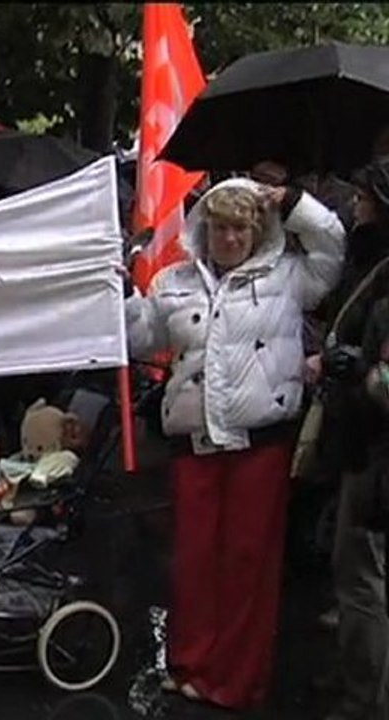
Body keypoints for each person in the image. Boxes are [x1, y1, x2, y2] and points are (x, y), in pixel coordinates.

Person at [125, 179, 345, 709]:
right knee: (195, 558)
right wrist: (122, 295)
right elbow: (141, 337)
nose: (229, 237)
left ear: (257, 229)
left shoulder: (290, 277)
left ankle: (237, 680)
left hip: (259, 444)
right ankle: (192, 663)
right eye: (220, 226)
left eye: (240, 227)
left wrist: (293, 202)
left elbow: (332, 244)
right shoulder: (175, 281)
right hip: (196, 442)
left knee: (248, 562)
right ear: (205, 228)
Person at [308, 159, 389, 720]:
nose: (356, 204)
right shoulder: (376, 265)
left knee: (363, 575)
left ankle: (366, 700)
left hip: (379, 453)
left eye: (365, 197)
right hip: (364, 444)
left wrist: (349, 367)